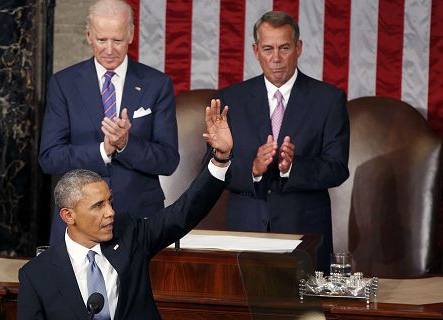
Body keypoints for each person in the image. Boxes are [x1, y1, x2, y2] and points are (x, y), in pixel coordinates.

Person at [18, 99, 233, 319]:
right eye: (98, 206)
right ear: (68, 215)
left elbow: (185, 212)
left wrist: (220, 158)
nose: (110, 212)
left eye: (109, 202)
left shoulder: (132, 235)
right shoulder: (36, 275)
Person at [215, 11, 349, 271]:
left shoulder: (328, 100)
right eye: (268, 49)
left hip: (304, 233)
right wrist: (252, 169)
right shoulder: (232, 99)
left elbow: (337, 168)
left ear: (298, 48)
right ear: (256, 51)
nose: (276, 58)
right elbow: (210, 166)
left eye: (284, 48)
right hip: (246, 233)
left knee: (302, 313)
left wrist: (292, 168)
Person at [39, 0, 179, 245]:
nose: (110, 49)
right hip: (79, 222)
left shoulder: (157, 84)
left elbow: (168, 160)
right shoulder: (64, 84)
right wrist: (103, 150)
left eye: (117, 40)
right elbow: (50, 158)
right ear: (89, 36)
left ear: (131, 35)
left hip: (138, 220)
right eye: (102, 40)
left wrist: (126, 144)